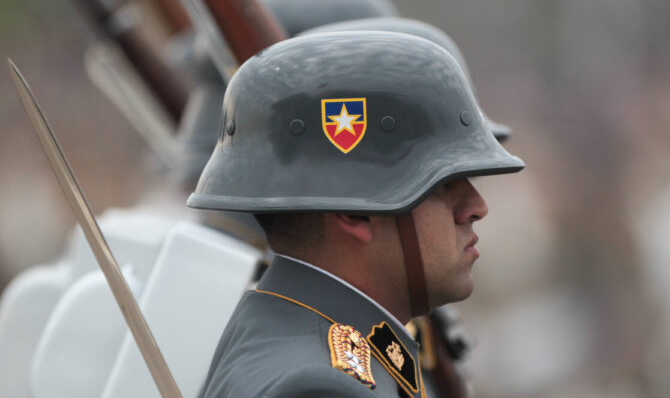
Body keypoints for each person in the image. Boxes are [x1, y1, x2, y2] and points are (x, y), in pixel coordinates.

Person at [190, 30, 524, 397]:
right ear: (353, 213)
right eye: (443, 183)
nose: (476, 207)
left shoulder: (299, 337)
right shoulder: (320, 388)